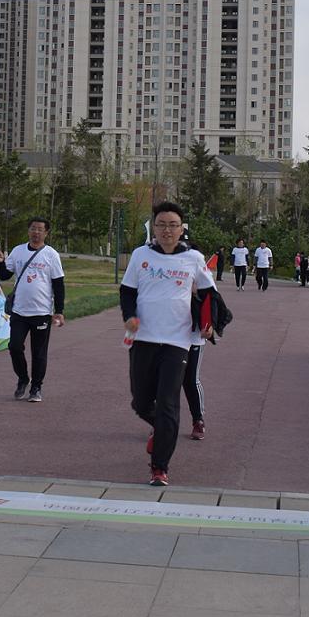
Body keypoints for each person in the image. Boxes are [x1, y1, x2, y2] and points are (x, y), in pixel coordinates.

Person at [121, 202, 215, 486]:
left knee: (168, 404)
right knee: (140, 402)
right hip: (143, 339)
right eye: (161, 224)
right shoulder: (140, 255)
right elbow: (127, 291)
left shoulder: (193, 258)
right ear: (154, 227)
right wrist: (130, 316)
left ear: (181, 229)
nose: (167, 230)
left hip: (177, 342)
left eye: (173, 225)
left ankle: (159, 467)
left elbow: (210, 294)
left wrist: (209, 324)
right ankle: (163, 429)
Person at [0, 217, 66, 402]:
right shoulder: (18, 251)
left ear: (46, 233)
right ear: (28, 231)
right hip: (19, 311)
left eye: (40, 229)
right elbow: (4, 275)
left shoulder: (51, 255)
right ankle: (23, 379)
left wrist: (59, 310)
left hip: (42, 312)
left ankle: (36, 387)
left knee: (39, 353)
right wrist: (0, 262)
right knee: (14, 346)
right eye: (33, 228)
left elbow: (58, 284)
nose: (36, 232)